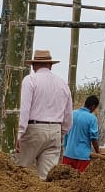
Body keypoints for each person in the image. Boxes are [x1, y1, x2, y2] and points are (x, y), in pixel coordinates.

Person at [16, 49, 73, 180]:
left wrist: (19, 134)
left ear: (33, 65)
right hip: (55, 131)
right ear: (50, 65)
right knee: (47, 178)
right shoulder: (63, 84)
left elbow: (24, 110)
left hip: (33, 130)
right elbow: (68, 116)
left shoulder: (30, 80)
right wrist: (62, 133)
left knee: (17, 171)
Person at [61, 95, 101, 172]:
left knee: (65, 178)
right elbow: (93, 138)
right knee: (80, 179)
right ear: (93, 106)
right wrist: (98, 152)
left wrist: (66, 149)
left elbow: (65, 133)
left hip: (68, 154)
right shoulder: (92, 118)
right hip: (82, 157)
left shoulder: (72, 114)